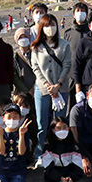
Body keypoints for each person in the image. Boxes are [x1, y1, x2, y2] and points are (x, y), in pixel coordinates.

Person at [30, 14, 71, 152]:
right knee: (42, 123)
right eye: (47, 25)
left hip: (61, 88)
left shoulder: (64, 44)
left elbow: (67, 64)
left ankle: (59, 149)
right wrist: (47, 85)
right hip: (42, 89)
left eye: (52, 25)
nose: (50, 28)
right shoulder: (36, 46)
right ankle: (40, 150)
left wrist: (58, 84)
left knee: (60, 122)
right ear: (41, 27)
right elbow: (35, 67)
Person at [0, 105, 31, 182]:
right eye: (9, 117)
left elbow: (22, 152)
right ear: (3, 118)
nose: (12, 119)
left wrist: (21, 135)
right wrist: (0, 135)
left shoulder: (23, 132)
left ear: (20, 118)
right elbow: (1, 152)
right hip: (3, 170)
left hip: (18, 171)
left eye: (15, 116)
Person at [41, 117, 85, 182]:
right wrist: (59, 177)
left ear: (69, 128)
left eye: (65, 127)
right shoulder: (48, 146)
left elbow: (78, 167)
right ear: (53, 130)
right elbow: (48, 167)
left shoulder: (73, 146)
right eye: (58, 128)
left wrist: (71, 178)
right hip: (53, 174)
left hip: (67, 174)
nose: (62, 130)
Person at [11, 27, 36, 95]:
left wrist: (34, 89)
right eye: (20, 37)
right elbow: (15, 77)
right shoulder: (15, 57)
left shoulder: (35, 53)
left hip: (37, 90)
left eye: (25, 36)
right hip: (22, 93)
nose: (23, 39)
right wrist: (26, 91)